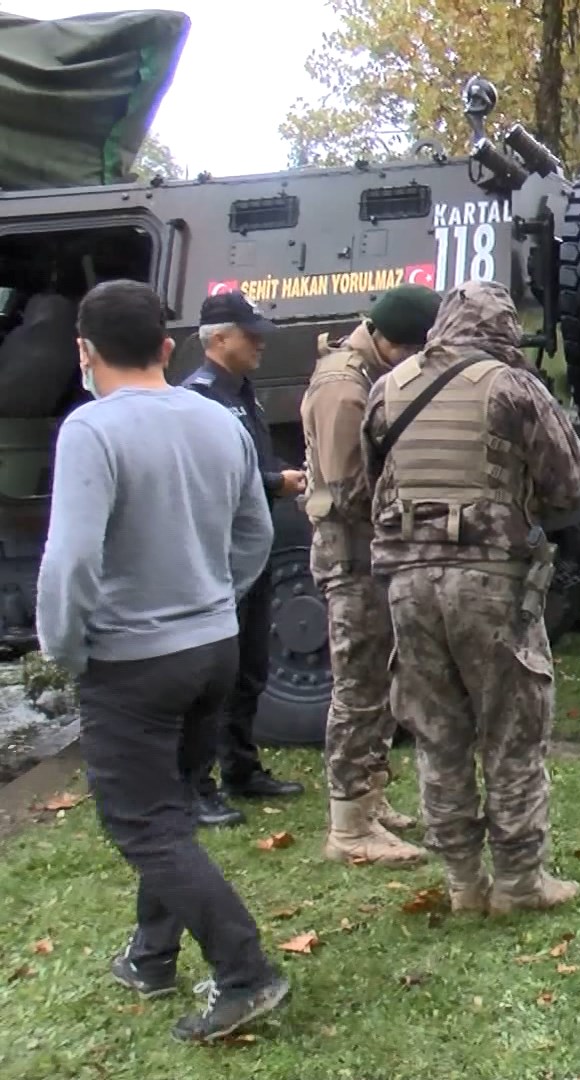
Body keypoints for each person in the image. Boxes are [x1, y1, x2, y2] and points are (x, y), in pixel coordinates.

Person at [37, 280, 289, 1042]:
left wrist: (64, 647)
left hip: (133, 660)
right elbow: (256, 533)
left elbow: (71, 560)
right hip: (212, 646)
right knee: (171, 803)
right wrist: (214, 599)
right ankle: (151, 955)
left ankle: (244, 970)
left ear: (84, 351)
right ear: (166, 347)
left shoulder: (92, 429)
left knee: (145, 822)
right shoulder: (220, 422)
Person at [362, 279, 580, 914]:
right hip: (489, 580)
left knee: (438, 732)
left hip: (405, 583)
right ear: (506, 329)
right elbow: (570, 486)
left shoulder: (389, 387)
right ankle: (519, 881)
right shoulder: (513, 387)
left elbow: (370, 484)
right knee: (512, 730)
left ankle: (463, 880)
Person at [301, 283, 443, 866]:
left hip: (369, 550)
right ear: (391, 340)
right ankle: (350, 826)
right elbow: (347, 483)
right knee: (358, 685)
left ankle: (371, 797)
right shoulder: (343, 384)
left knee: (380, 677)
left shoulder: (365, 370)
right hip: (352, 551)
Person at [179, 291, 306, 827]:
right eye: (249, 334)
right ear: (218, 339)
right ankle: (193, 786)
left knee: (251, 667)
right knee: (212, 677)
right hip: (218, 556)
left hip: (250, 552)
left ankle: (241, 768)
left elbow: (252, 454)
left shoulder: (241, 391)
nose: (260, 343)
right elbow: (212, 476)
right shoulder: (200, 398)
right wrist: (277, 481)